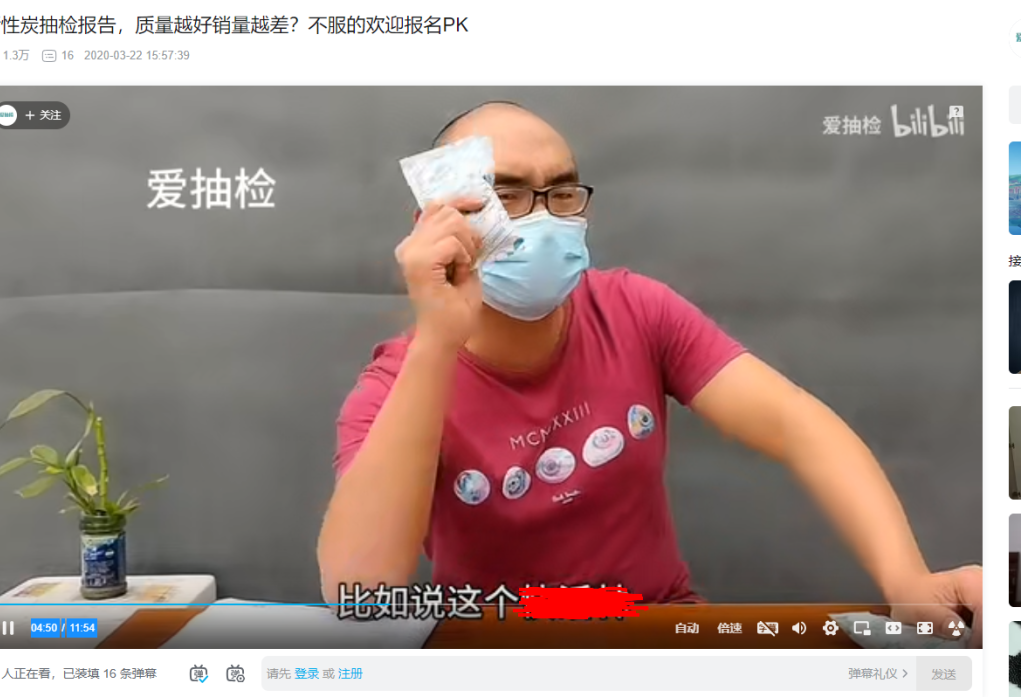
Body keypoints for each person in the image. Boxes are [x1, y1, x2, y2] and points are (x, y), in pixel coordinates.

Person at [317, 101, 982, 644]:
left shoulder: (634, 309)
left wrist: (907, 580)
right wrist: (438, 340)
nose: (544, 217)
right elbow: (360, 591)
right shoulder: (397, 385)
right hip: (497, 644)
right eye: (507, 195)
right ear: (433, 224)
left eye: (562, 192)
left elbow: (796, 424)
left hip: (658, 628)